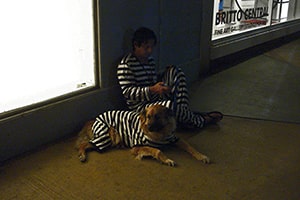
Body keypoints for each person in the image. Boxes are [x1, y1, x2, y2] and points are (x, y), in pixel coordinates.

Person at [117, 27, 223, 129]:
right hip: (143, 107)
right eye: (146, 47)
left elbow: (152, 80)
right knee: (171, 106)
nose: (150, 50)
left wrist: (163, 83)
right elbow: (128, 93)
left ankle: (183, 116)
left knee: (176, 72)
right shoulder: (126, 65)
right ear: (136, 45)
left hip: (155, 97)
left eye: (152, 47)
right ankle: (200, 121)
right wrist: (152, 89)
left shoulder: (150, 61)